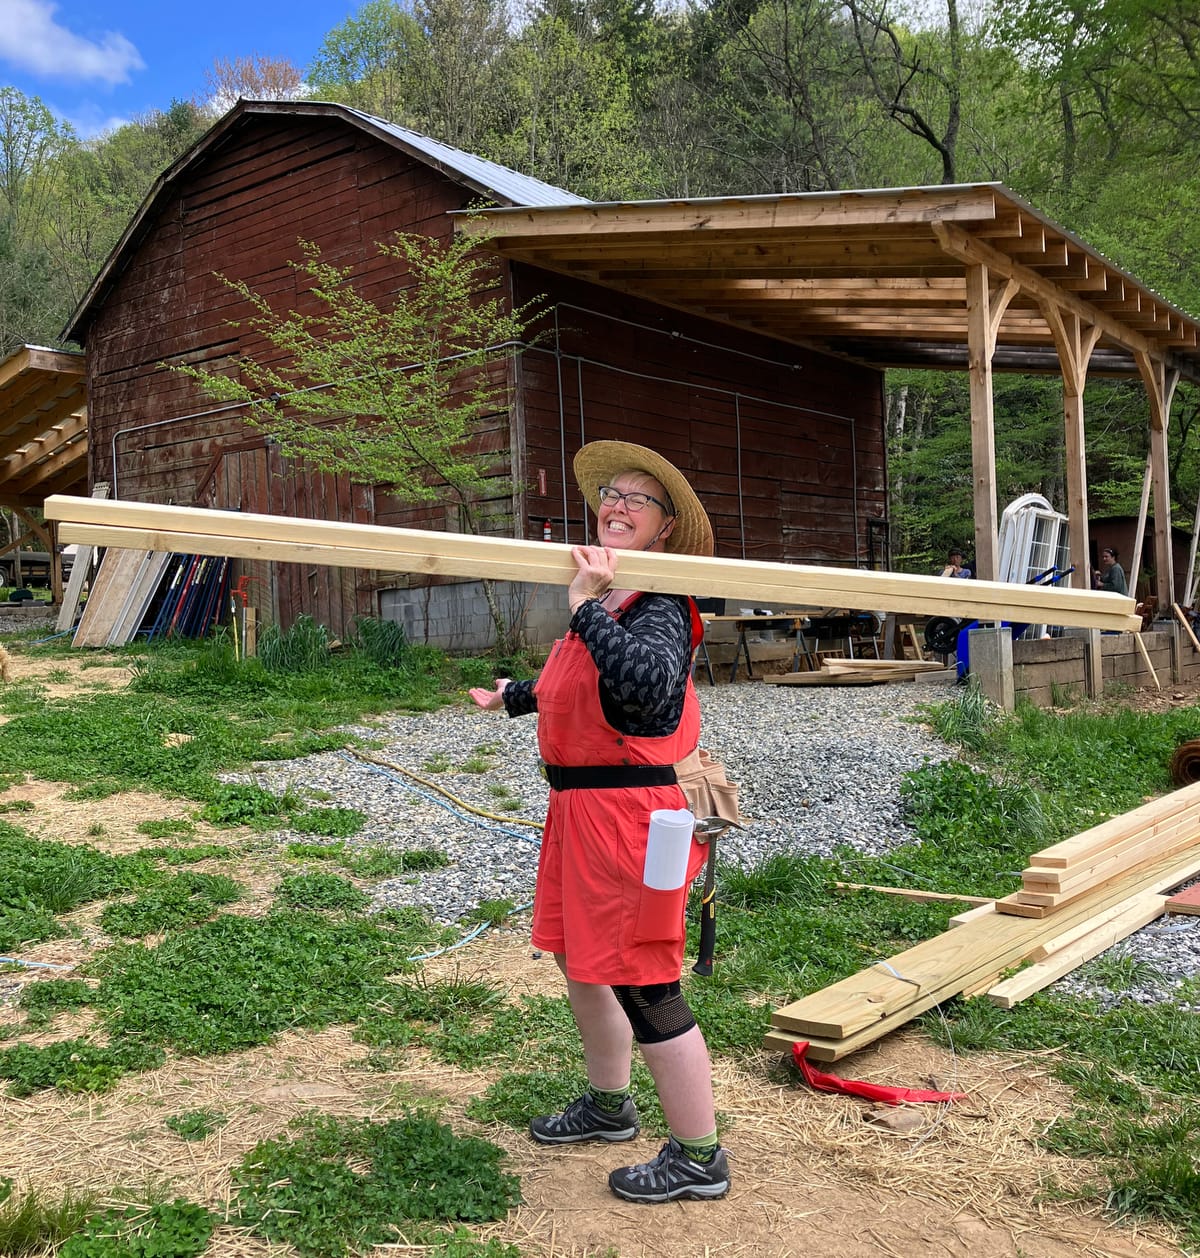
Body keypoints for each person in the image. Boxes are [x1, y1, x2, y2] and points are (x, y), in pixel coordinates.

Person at [469, 440, 730, 1204]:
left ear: (666, 529)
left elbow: (645, 690)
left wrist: (583, 605)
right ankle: (611, 1107)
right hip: (578, 811)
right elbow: (578, 683)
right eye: (611, 493)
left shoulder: (659, 603)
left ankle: (697, 1155)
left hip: (632, 820)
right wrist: (517, 694)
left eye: (638, 500)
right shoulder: (612, 597)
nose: (617, 504)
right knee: (582, 962)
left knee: (644, 981)